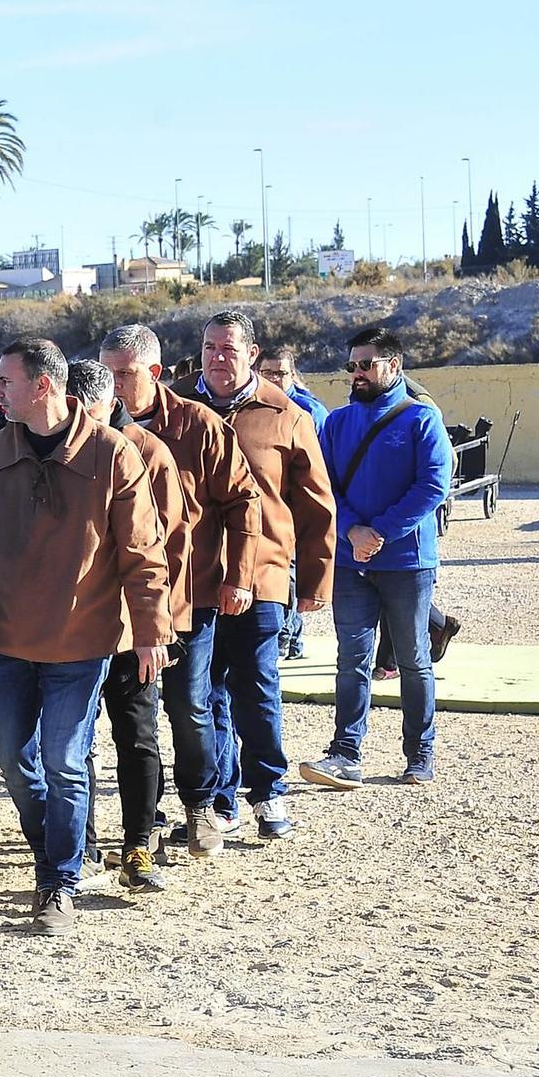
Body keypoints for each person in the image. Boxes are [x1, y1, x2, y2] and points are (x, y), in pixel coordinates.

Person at [0, 337, 170, 936]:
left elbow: (143, 552)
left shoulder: (114, 454)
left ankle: (58, 879)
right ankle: (50, 849)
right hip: (7, 635)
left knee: (65, 761)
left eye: (7, 381)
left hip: (82, 638)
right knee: (13, 760)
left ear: (42, 385)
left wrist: (149, 632)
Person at [173, 311, 336, 842]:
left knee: (256, 686)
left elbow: (315, 506)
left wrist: (314, 582)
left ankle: (268, 790)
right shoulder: (179, 410)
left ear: (252, 353)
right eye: (209, 348)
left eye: (228, 348)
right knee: (204, 693)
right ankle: (221, 800)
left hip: (262, 575)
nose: (218, 358)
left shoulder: (285, 415)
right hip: (195, 579)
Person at [99, 323, 260, 858]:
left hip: (190, 597)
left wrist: (240, 575)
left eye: (123, 374)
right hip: (116, 604)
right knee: (132, 718)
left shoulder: (198, 426)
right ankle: (144, 817)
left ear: (155, 373)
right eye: (107, 373)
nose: (113, 384)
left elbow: (243, 503)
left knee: (190, 705)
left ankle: (201, 804)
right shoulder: (89, 432)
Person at [301, 328, 452, 788]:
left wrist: (380, 533)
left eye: (366, 364)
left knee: (412, 658)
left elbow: (432, 485)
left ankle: (419, 754)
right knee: (352, 659)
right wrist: (350, 530)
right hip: (350, 562)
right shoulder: (338, 423)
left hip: (407, 562)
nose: (357, 373)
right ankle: (345, 751)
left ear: (394, 365)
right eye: (352, 365)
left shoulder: (422, 420)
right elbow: (321, 485)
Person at [67, 361, 184, 893]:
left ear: (103, 405)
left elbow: (163, 549)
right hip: (73, 629)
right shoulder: (56, 451)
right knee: (74, 744)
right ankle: (83, 844)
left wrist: (154, 628)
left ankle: (140, 844)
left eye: (83, 414)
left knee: (137, 737)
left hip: (131, 629)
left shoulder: (145, 453)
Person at [258, 344, 325, 660]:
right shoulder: (254, 407)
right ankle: (290, 637)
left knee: (292, 576)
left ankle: (288, 636)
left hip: (296, 510)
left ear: (293, 374)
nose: (273, 378)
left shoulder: (308, 412)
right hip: (270, 511)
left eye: (280, 373)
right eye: (267, 372)